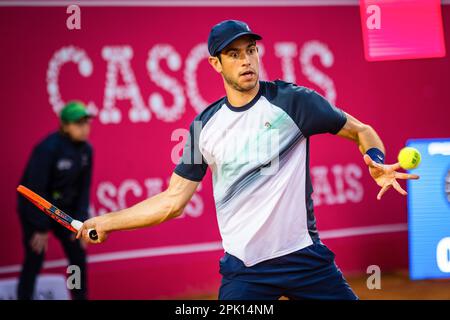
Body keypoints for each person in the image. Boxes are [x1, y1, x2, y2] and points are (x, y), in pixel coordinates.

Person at [77, 20, 419, 300]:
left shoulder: (295, 103)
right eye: (234, 54)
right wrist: (107, 222)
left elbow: (362, 131)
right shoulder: (204, 128)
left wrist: (375, 160)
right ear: (216, 63)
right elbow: (171, 202)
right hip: (246, 270)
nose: (246, 61)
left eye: (251, 51)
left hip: (305, 259)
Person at [17, 101, 93, 300]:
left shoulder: (87, 151)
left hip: (65, 210)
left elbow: (83, 191)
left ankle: (79, 297)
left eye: (86, 122)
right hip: (36, 208)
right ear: (65, 126)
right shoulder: (47, 149)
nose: (85, 127)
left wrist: (80, 221)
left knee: (77, 255)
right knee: (35, 257)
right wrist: (40, 228)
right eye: (78, 123)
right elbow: (34, 191)